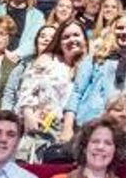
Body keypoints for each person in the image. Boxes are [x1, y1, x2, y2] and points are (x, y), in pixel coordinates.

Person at [66, 12, 126, 140]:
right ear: (112, 30)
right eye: (120, 28)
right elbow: (77, 92)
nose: (124, 32)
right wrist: (67, 127)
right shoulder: (97, 58)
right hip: (94, 122)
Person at [15, 22, 81, 162]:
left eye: (76, 35)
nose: (72, 40)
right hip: (42, 126)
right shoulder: (48, 59)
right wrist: (28, 114)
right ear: (59, 41)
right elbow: (28, 88)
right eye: (66, 37)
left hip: (73, 131)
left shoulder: (87, 65)